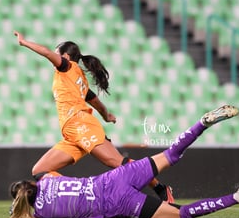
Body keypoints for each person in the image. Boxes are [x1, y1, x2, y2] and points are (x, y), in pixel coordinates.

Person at [8, 104, 239, 218]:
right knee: (171, 154)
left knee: (183, 213)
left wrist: (17, 209)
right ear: (31, 183)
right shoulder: (47, 178)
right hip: (113, 178)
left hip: (117, 203)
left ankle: (238, 197)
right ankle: (202, 123)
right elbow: (41, 169)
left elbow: (29, 214)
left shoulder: (41, 212)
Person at [13, 31, 174, 203]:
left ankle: (160, 188)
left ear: (66, 56)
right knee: (40, 170)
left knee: (117, 162)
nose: (54, 56)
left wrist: (24, 42)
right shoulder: (77, 77)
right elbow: (94, 100)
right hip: (72, 134)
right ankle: (69, 199)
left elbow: (45, 52)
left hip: (81, 124)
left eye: (57, 52)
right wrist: (106, 115)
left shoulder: (67, 67)